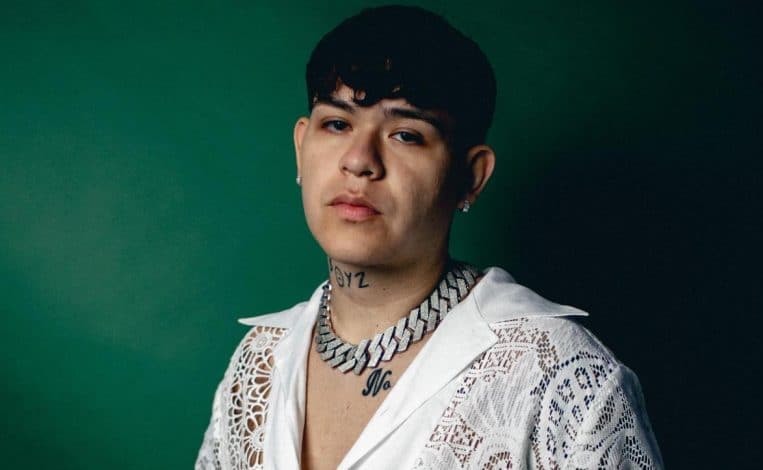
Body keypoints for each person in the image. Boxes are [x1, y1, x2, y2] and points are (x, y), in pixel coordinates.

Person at [196, 5, 663, 469]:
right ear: (302, 148)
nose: (359, 160)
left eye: (406, 134)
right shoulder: (259, 362)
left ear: (471, 176)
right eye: (337, 124)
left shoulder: (559, 374)